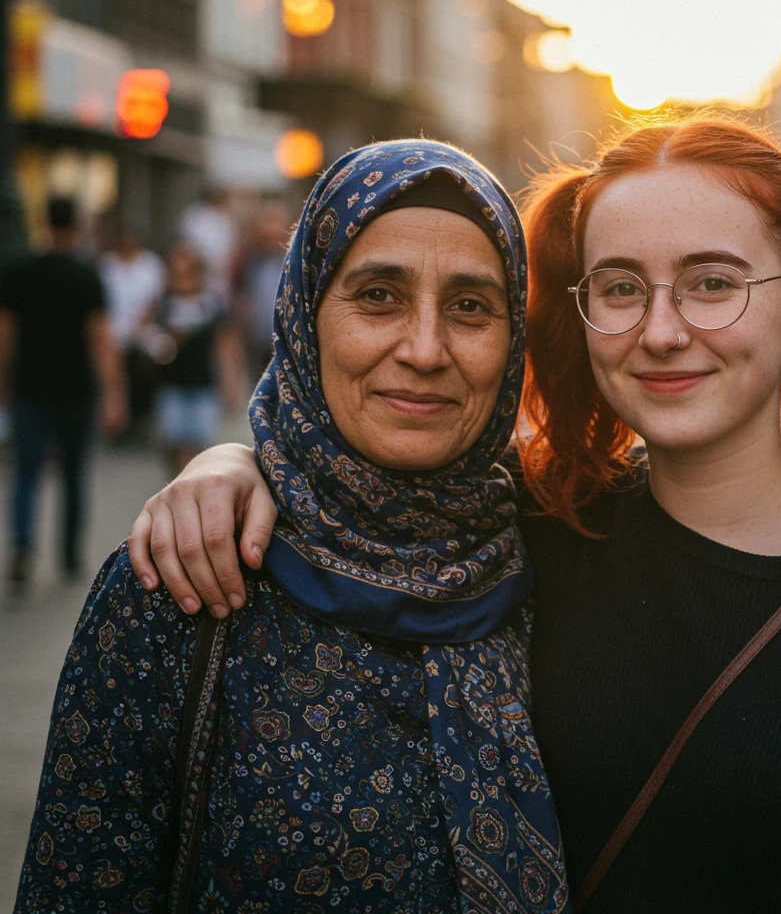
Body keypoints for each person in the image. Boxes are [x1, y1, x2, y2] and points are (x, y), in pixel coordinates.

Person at [127, 122, 781, 911]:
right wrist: (234, 465)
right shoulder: (527, 530)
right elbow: (360, 501)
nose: (662, 331)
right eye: (622, 288)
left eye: (712, 284)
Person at [15, 142, 569, 912]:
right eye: (378, 295)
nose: (424, 348)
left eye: (472, 306)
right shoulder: (183, 582)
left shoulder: (566, 548)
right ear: (305, 315)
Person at [0, 197, 126, 589]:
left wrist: (3, 383)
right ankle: (69, 553)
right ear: (75, 226)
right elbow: (101, 340)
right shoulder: (86, 276)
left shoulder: (19, 272)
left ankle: (22, 548)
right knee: (74, 474)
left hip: (29, 389)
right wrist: (113, 393)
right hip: (75, 391)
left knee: (26, 473)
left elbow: (5, 336)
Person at [149, 244, 244, 474]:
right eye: (177, 272)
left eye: (188, 271)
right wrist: (164, 340)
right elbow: (145, 336)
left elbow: (226, 345)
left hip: (203, 386)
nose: (183, 279)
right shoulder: (164, 304)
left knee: (201, 449)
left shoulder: (210, 304)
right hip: (172, 385)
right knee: (173, 444)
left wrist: (230, 384)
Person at [99, 223, 166, 434]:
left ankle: (144, 415)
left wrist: (143, 322)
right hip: (113, 332)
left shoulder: (151, 265)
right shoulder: (107, 266)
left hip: (142, 332)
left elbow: (157, 299)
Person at [235, 194, 291, 375]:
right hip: (257, 343)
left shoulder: (296, 263)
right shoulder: (248, 262)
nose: (269, 232)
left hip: (288, 343)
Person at [178, 185, 238, 307]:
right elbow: (184, 245)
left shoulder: (227, 218)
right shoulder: (194, 215)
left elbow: (232, 249)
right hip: (196, 277)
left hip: (221, 279)